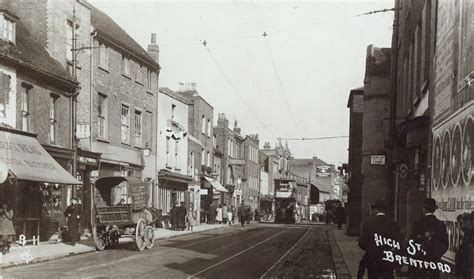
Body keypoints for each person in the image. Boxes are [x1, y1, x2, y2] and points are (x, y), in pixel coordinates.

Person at [358, 199, 402, 279]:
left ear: (376, 209)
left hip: (373, 259)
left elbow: (361, 243)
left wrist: (371, 248)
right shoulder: (394, 224)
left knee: (372, 276)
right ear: (386, 210)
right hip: (388, 258)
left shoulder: (368, 224)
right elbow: (399, 243)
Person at [408, 198, 448, 279]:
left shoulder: (418, 223)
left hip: (419, 264)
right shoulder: (441, 224)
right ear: (434, 210)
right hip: (434, 265)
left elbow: (411, 243)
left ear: (424, 209)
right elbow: (445, 244)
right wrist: (436, 256)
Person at [455, 211, 474, 279]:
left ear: (470, 222)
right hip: (463, 272)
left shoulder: (471, 237)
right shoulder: (467, 235)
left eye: (463, 223)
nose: (462, 226)